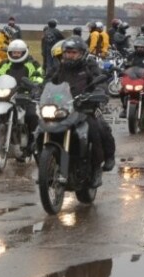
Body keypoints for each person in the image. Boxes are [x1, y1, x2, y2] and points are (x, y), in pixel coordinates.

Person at [46, 37, 116, 187]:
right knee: (41, 127)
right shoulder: (60, 68)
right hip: (62, 108)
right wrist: (37, 90)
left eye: (74, 52)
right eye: (67, 52)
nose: (70, 55)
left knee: (96, 129)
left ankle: (97, 167)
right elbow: (48, 81)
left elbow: (100, 80)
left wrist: (98, 91)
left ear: (82, 53)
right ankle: (46, 165)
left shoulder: (89, 66)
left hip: (85, 107)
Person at [0, 39, 44, 153]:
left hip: (25, 96)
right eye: (14, 52)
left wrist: (35, 83)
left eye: (19, 52)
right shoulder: (5, 63)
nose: (16, 54)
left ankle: (32, 143)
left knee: (32, 116)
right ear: (10, 52)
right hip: (6, 95)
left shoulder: (32, 63)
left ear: (24, 53)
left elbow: (39, 75)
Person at [118, 36, 144, 117]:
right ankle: (125, 108)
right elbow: (125, 66)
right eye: (138, 47)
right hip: (133, 78)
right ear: (135, 47)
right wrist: (122, 71)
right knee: (122, 91)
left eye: (142, 47)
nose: (140, 49)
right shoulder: (131, 56)